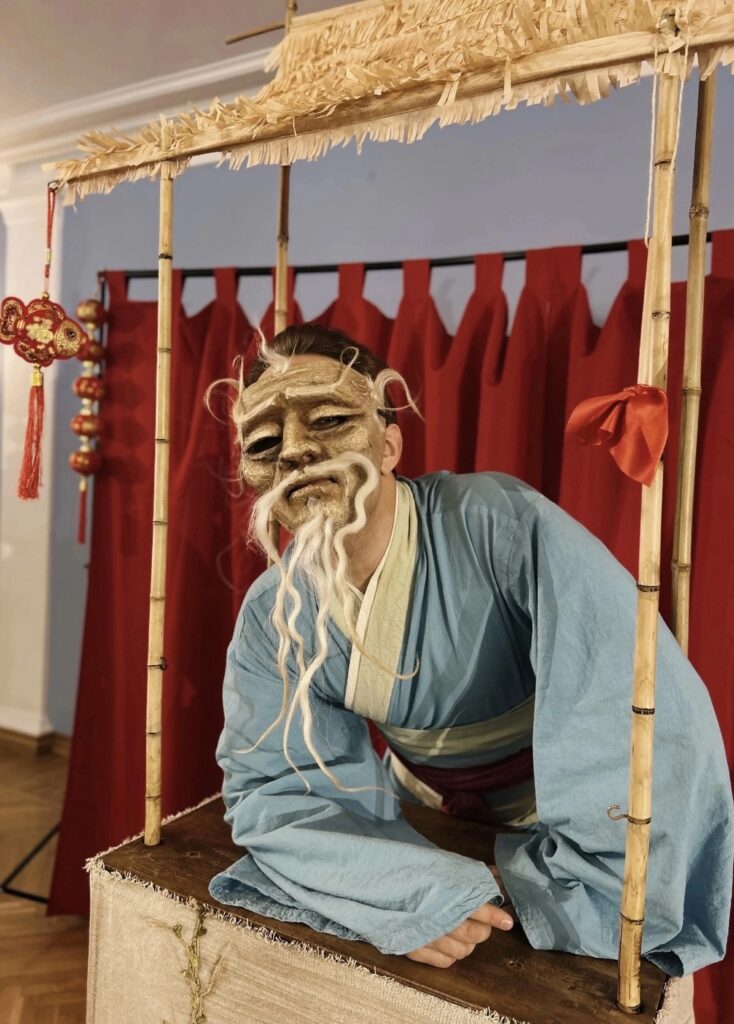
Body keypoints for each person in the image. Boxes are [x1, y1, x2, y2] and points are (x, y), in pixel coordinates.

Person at [208, 324, 733, 976]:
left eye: (330, 420)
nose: (294, 452)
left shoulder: (498, 523)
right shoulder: (273, 613)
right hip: (419, 826)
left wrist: (563, 881)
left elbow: (630, 706)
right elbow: (273, 789)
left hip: (568, 837)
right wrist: (404, 892)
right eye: (264, 443)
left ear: (389, 442)